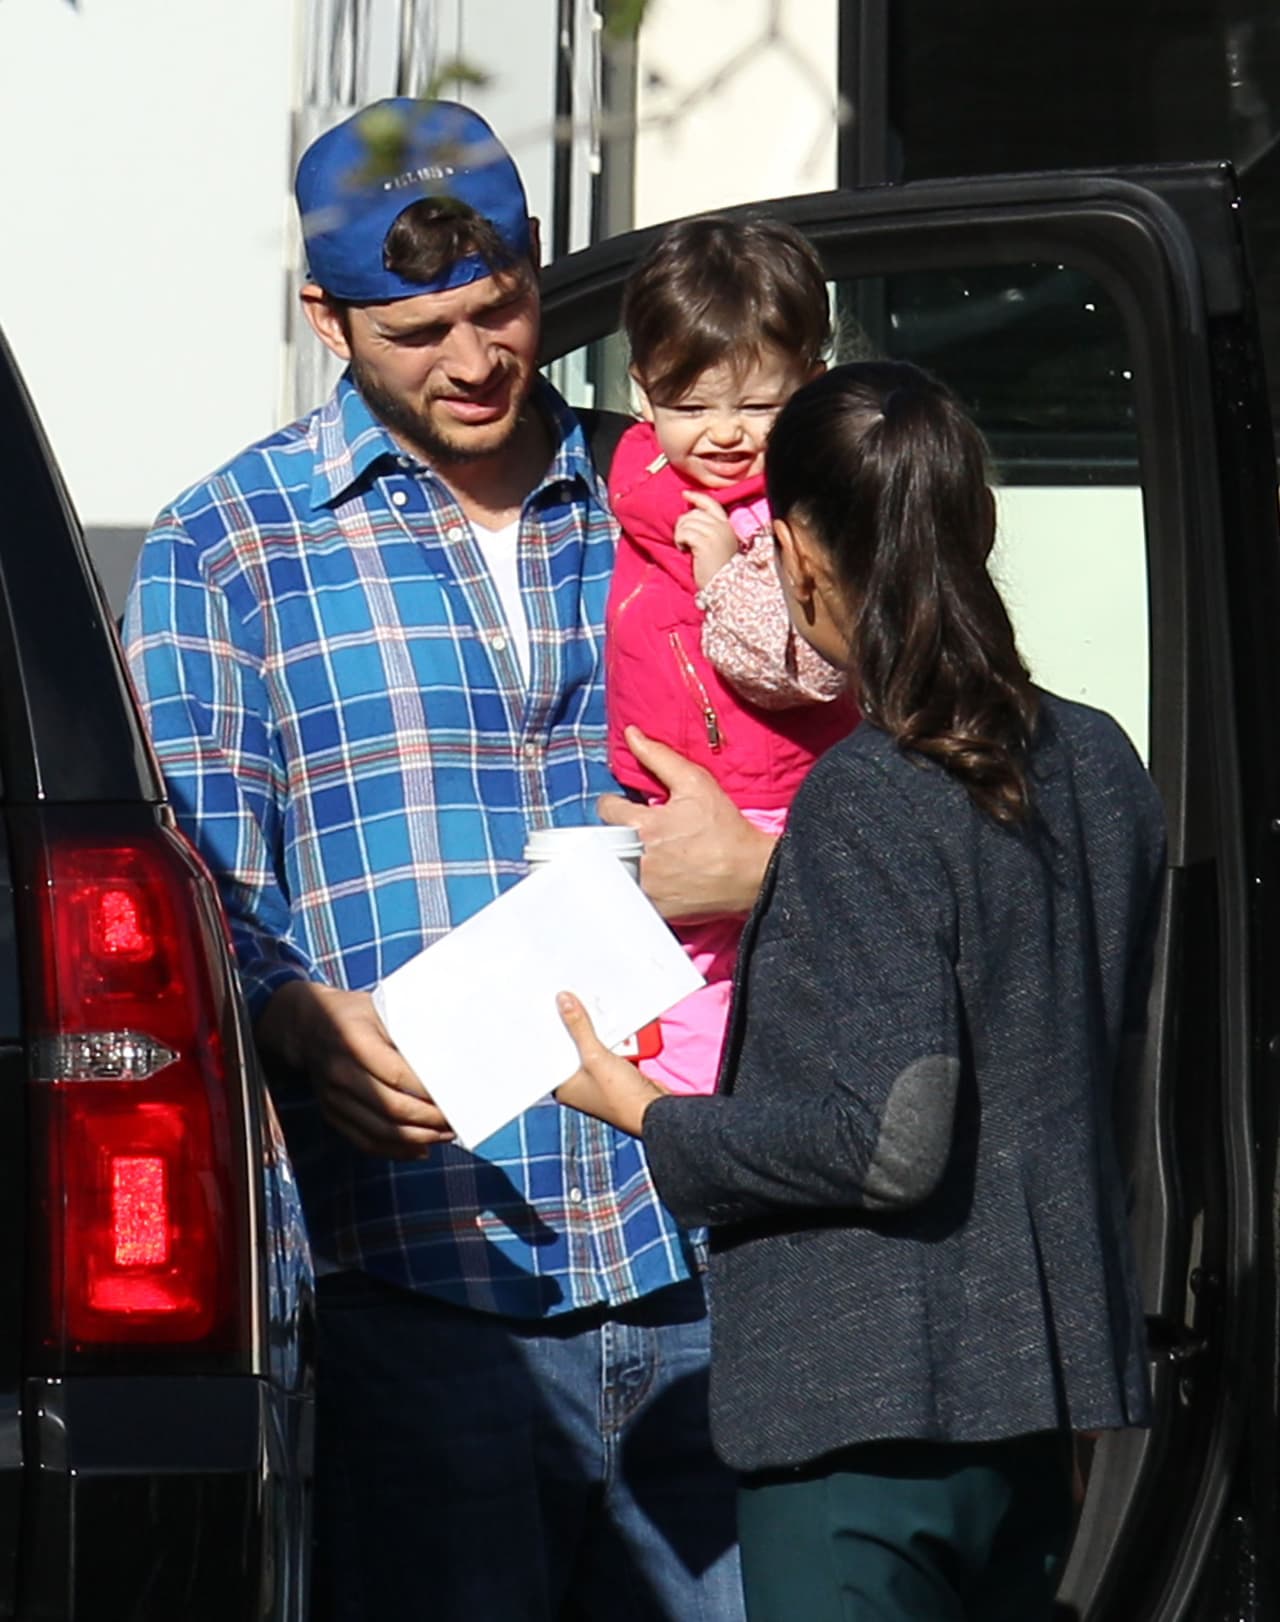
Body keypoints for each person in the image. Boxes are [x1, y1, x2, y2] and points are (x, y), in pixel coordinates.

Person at [123, 97, 761, 1621]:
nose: (477, 362)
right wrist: (283, 1011)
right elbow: (197, 880)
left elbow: (869, 772)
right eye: (420, 330)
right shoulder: (227, 544)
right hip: (425, 1277)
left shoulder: (679, 499)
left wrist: (761, 868)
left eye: (504, 309)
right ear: (323, 315)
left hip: (715, 1245)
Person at [556, 359, 1165, 1621]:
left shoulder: (869, 793)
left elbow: (886, 1136)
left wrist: (641, 1110)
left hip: (863, 1412)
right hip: (1040, 1405)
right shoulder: (1098, 760)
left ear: (790, 551)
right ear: (977, 528)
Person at [606, 217, 858, 1094]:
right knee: (671, 1014)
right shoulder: (636, 483)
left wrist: (728, 579)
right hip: (662, 800)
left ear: (814, 388)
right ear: (642, 394)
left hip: (790, 803)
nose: (723, 434)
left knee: (782, 1007)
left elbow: (805, 671)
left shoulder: (809, 509)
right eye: (690, 406)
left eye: (758, 407)